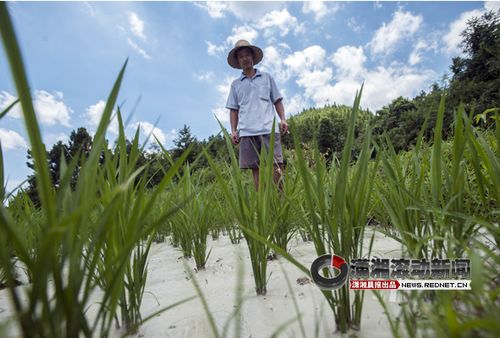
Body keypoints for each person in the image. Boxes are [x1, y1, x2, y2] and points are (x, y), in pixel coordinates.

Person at [225, 39, 288, 190]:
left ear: (253, 57)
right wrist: (234, 130)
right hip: (247, 131)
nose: (245, 58)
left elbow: (277, 100)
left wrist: (283, 119)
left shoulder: (267, 78)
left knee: (277, 166)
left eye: (247, 55)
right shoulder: (236, 84)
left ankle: (281, 201)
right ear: (238, 61)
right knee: (255, 169)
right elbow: (234, 109)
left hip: (269, 129)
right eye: (241, 56)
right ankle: (264, 207)